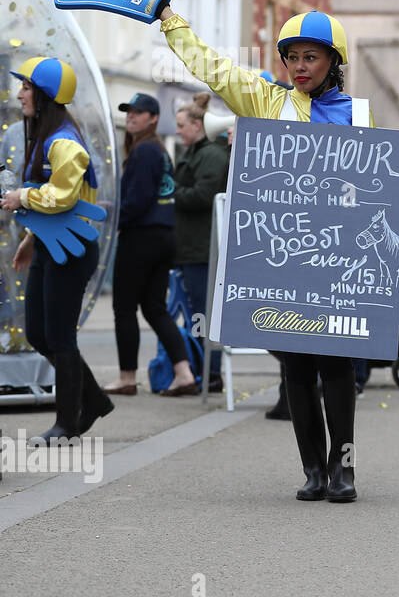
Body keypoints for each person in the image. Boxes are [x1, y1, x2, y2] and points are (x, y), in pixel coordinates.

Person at [159, 3, 369, 502]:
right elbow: (211, 65)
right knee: (295, 364)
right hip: (281, 254)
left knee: (336, 366)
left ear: (332, 61)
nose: (300, 66)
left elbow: (369, 187)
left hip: (334, 258)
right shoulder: (263, 99)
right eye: (292, 56)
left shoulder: (358, 114)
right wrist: (168, 17)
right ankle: (313, 471)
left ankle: (345, 470)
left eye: (311, 57)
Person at [1, 58, 113, 442]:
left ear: (46, 95)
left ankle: (67, 422)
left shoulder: (64, 142)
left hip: (74, 250)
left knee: (60, 337)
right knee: (38, 333)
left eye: (27, 88)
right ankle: (94, 399)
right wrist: (32, 241)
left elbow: (62, 197)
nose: (20, 95)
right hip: (52, 246)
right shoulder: (44, 136)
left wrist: (20, 195)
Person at [105, 93, 197, 397]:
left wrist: (112, 218)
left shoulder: (144, 152)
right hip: (164, 236)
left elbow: (138, 201)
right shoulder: (158, 150)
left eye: (138, 112)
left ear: (153, 118)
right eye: (128, 111)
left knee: (124, 308)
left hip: (140, 237)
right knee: (155, 309)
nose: (131, 116)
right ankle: (183, 373)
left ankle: (127, 377)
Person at [173, 92, 229, 393]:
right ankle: (204, 368)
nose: (178, 130)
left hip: (202, 248)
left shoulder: (209, 155)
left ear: (198, 125)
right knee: (199, 311)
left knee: (203, 313)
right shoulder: (200, 153)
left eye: (182, 125)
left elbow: (203, 196)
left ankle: (210, 370)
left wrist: (173, 193)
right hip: (195, 246)